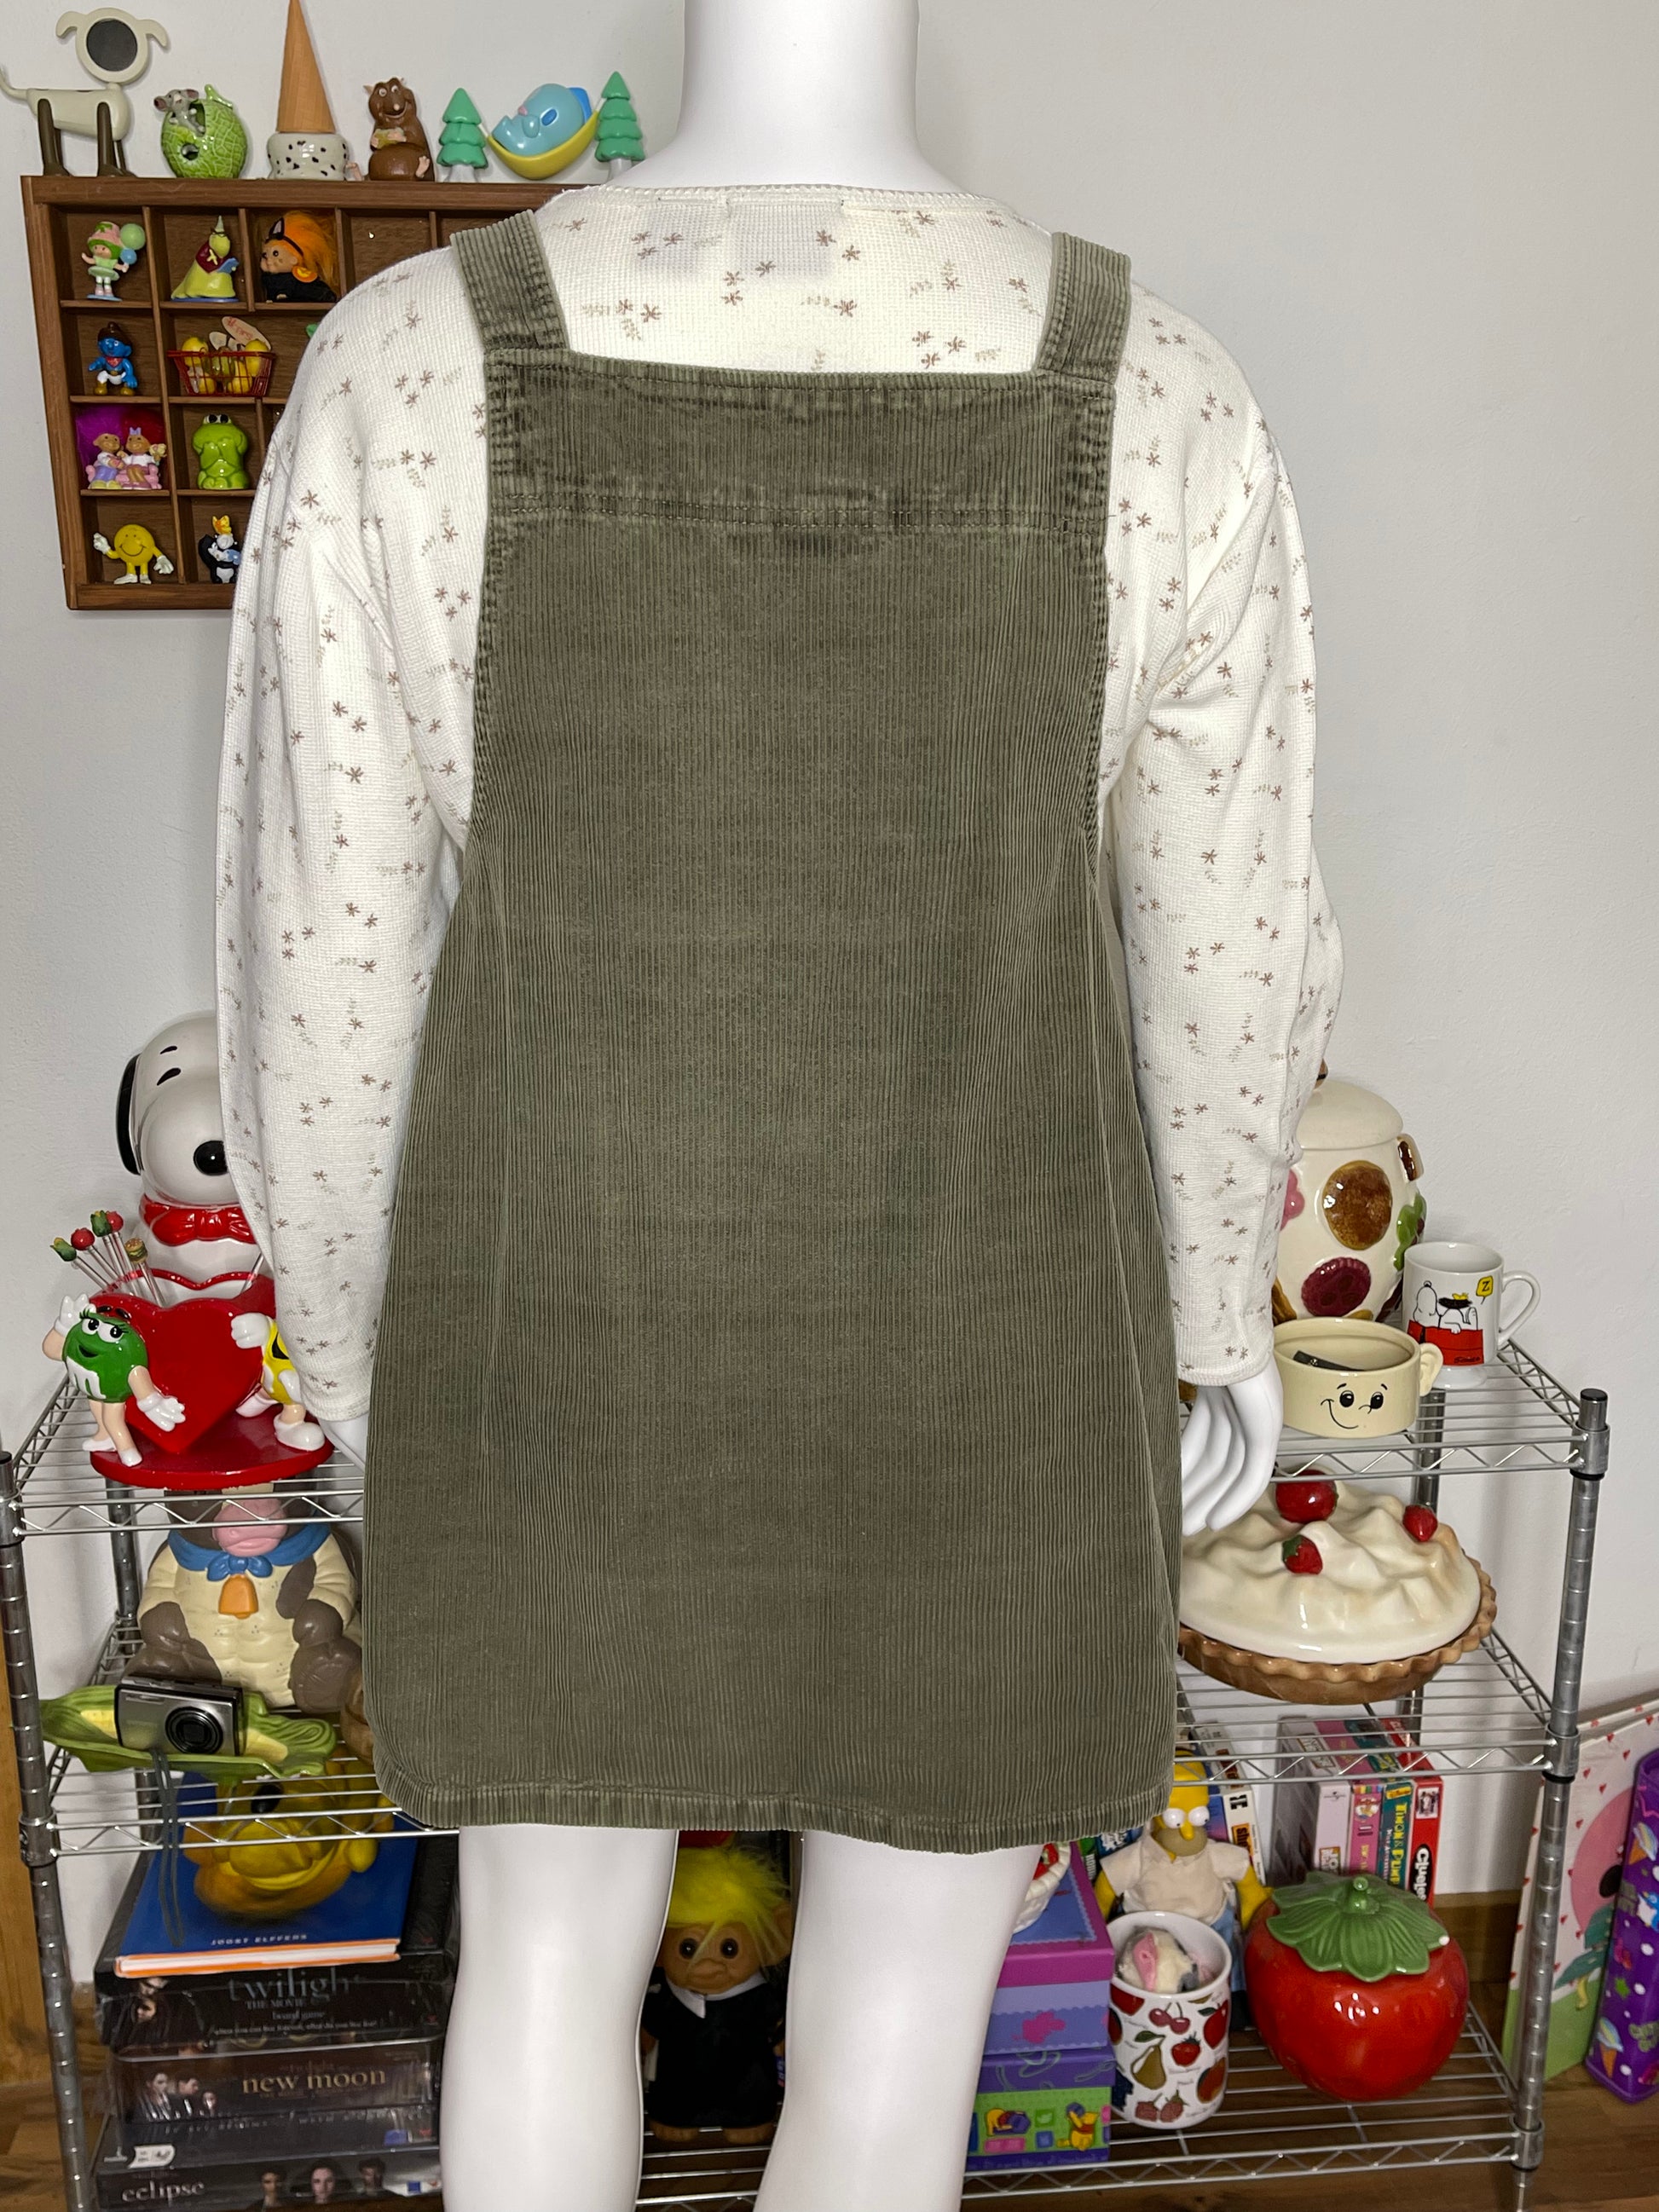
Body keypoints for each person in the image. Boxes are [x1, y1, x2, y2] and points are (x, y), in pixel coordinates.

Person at [219, 3, 1337, 2205]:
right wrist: (1216, 1321)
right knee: (904, 2023)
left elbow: (322, 960)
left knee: (538, 1968)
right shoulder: (1164, 392)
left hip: (551, 1354)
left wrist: (350, 1358)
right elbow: (1229, 962)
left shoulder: (399, 368)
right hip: (986, 1365)